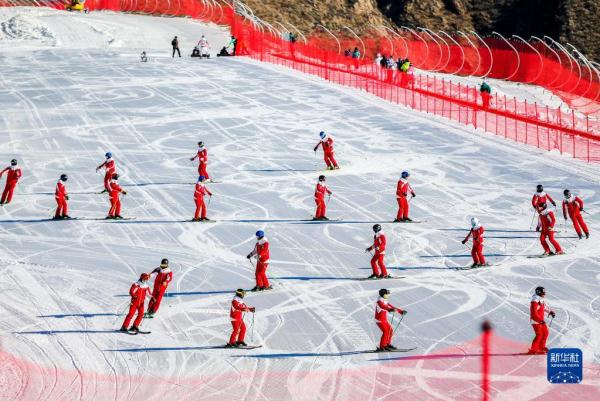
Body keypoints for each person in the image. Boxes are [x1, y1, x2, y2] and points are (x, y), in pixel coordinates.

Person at [528, 286, 555, 354]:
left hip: (540, 320)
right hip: (535, 320)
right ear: (539, 292)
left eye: (544, 292)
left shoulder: (540, 299)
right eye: (543, 292)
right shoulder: (535, 301)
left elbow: (544, 307)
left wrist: (550, 312)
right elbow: (533, 313)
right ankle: (533, 349)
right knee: (539, 334)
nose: (544, 294)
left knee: (545, 333)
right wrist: (539, 320)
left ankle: (541, 347)